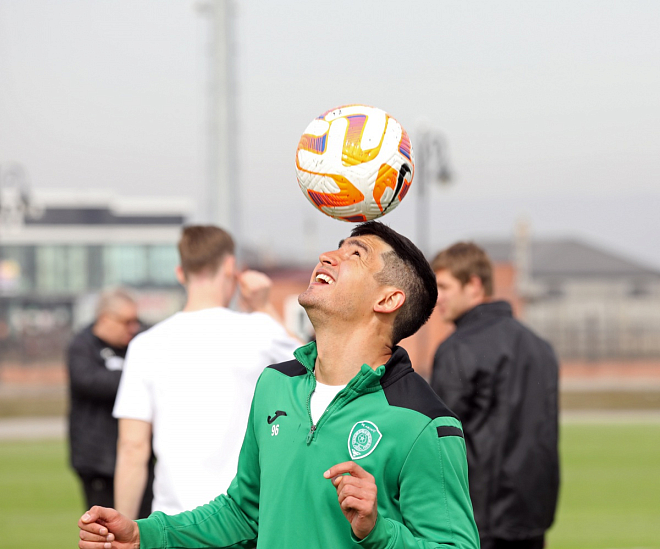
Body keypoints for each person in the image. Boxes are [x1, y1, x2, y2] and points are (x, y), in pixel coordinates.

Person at [78, 221, 479, 549]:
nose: (328, 256)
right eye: (338, 247)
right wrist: (145, 534)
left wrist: (379, 532)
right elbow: (242, 513)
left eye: (356, 254)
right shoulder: (275, 383)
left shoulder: (425, 424)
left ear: (388, 300)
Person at [112, 224, 301, 519]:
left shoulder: (145, 345)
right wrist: (264, 306)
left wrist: (122, 527)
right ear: (229, 267)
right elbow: (313, 364)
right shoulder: (260, 331)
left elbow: (132, 447)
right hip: (243, 518)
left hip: (174, 521)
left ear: (180, 273)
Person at [429, 242, 560, 549]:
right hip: (533, 517)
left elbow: (437, 439)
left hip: (479, 520)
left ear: (474, 285)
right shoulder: (540, 346)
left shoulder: (458, 348)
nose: (438, 298)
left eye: (444, 287)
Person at [67, 288, 154, 518]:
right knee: (105, 528)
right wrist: (138, 379)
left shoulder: (141, 342)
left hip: (140, 458)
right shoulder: (82, 346)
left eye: (135, 321)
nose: (133, 328)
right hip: (97, 461)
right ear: (105, 318)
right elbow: (89, 382)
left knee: (144, 526)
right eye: (126, 322)